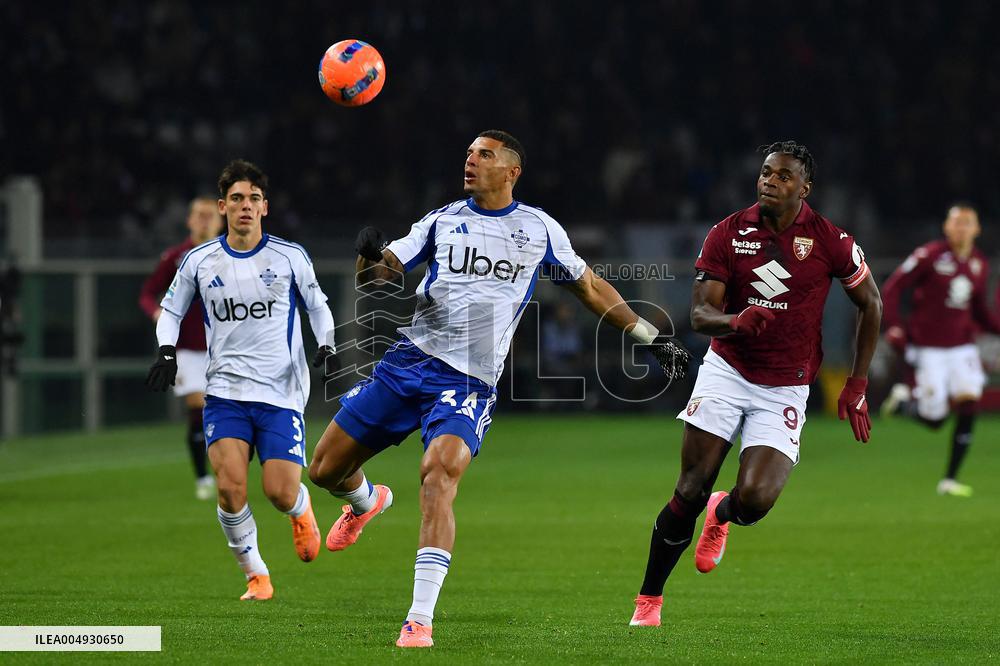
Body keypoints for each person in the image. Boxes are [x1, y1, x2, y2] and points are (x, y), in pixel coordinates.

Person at [306, 130, 690, 648]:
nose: (470, 160)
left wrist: (647, 336)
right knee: (325, 470)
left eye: (484, 155)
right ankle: (366, 501)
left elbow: (591, 287)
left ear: (511, 171)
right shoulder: (441, 221)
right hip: (407, 363)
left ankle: (419, 619)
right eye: (468, 153)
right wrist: (367, 256)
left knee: (438, 474)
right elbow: (380, 275)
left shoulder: (537, 229)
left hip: (467, 381)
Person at [629, 141, 882, 628]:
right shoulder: (728, 232)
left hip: (786, 385)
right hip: (727, 371)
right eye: (766, 172)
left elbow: (871, 303)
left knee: (758, 499)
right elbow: (700, 314)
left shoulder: (831, 240)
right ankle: (649, 600)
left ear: (804, 189)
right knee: (690, 487)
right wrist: (735, 323)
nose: (770, 181)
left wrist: (857, 384)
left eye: (783, 176)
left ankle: (725, 514)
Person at [146, 159, 338, 601]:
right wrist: (166, 351)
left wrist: (326, 344)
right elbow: (171, 309)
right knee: (231, 489)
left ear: (265, 207)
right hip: (226, 392)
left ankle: (300, 508)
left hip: (281, 391)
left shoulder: (290, 256)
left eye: (253, 198)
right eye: (236, 199)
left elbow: (317, 305)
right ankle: (256, 574)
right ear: (223, 206)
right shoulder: (199, 260)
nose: (245, 206)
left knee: (278, 490)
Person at [880, 204, 1000, 497]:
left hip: (962, 348)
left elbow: (979, 310)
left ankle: (949, 479)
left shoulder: (979, 264)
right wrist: (894, 325)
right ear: (946, 227)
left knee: (970, 402)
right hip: (928, 348)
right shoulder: (930, 255)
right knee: (935, 421)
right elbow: (894, 287)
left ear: (977, 229)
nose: (961, 228)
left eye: (967, 223)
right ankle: (907, 403)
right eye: (956, 222)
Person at [140, 196, 224, 500]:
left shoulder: (230, 255)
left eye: (209, 215)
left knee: (227, 410)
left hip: (225, 349)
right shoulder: (176, 258)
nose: (203, 220)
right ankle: (203, 476)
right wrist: (156, 313)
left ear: (219, 220)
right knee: (199, 408)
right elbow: (148, 293)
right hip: (187, 349)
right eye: (198, 215)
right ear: (189, 221)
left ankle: (226, 470)